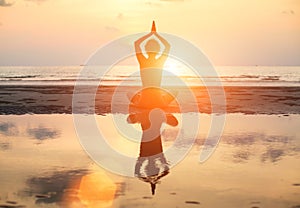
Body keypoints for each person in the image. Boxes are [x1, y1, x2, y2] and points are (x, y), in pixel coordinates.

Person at [134, 21, 170, 87]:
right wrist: (155, 34)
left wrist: (151, 34)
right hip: (156, 94)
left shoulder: (143, 61)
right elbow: (167, 46)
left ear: (146, 49)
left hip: (146, 93)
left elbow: (136, 43)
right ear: (158, 50)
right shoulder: (160, 62)